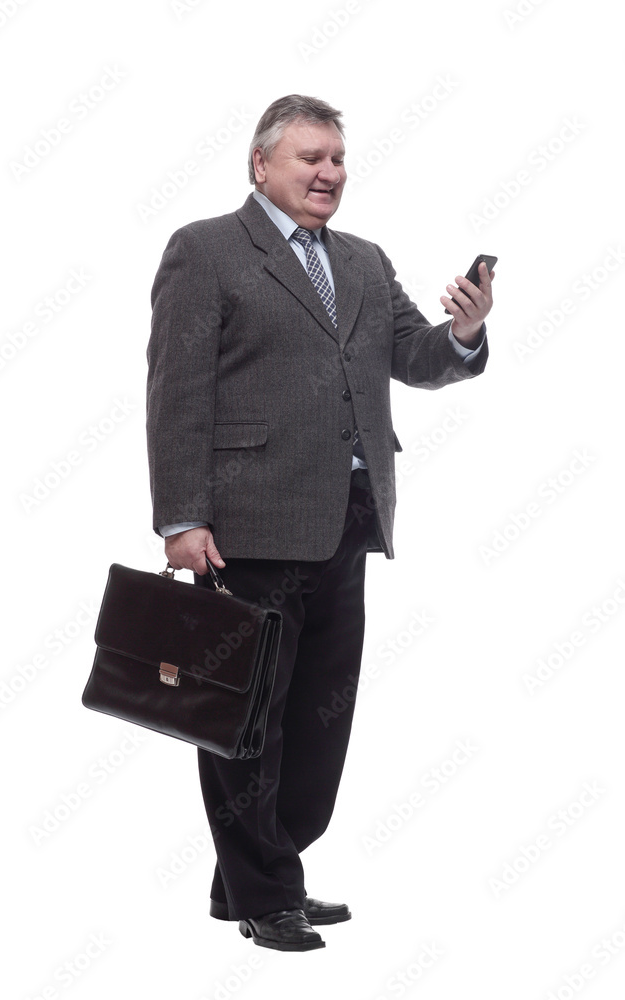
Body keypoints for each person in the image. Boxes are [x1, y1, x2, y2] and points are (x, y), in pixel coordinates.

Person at [146, 94, 493, 952]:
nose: (328, 173)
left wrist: (461, 332)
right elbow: (177, 393)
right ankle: (268, 895)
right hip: (245, 527)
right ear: (260, 164)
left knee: (317, 725)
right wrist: (182, 517)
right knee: (242, 721)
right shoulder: (206, 250)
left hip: (348, 520)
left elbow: (413, 357)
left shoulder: (364, 261)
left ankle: (256, 876)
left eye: (336, 158)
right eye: (309, 158)